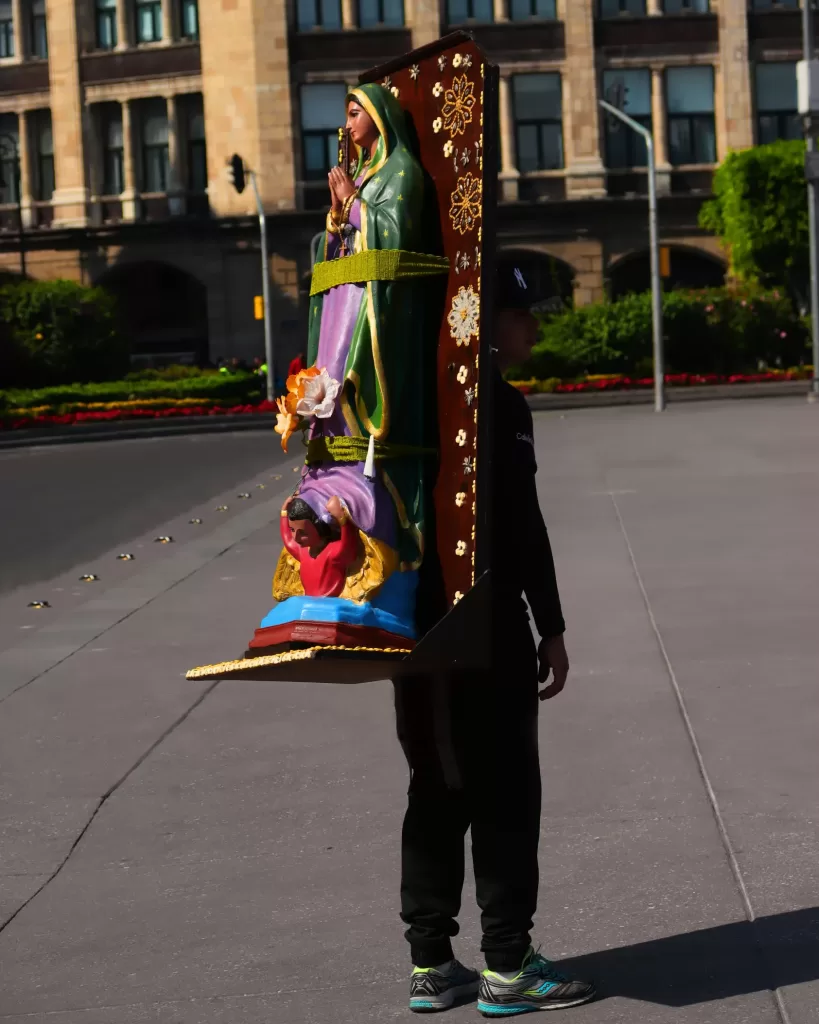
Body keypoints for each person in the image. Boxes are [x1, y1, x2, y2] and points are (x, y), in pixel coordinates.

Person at [393, 266, 597, 1016]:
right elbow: (521, 529)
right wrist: (551, 626)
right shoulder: (498, 405)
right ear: (487, 323)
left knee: (436, 785)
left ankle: (430, 962)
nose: (532, 331)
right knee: (506, 790)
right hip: (485, 629)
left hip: (412, 629)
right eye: (521, 317)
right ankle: (507, 966)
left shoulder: (410, 402)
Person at [279, 495, 361, 599]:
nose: (296, 537)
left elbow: (349, 544)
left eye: (303, 533)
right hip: (308, 604)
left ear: (319, 528)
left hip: (329, 606)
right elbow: (288, 539)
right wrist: (284, 512)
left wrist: (342, 518)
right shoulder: (302, 551)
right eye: (293, 530)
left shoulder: (332, 553)